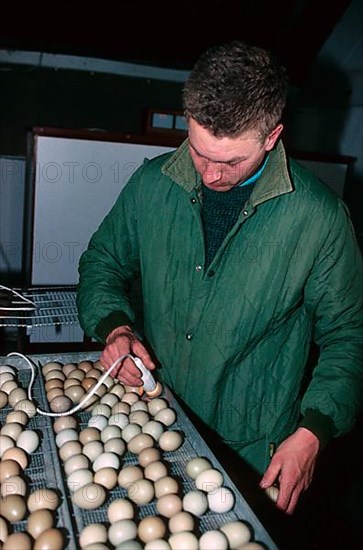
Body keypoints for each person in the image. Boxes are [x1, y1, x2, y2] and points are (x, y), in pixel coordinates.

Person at [77, 41, 363, 515]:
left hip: (250, 447)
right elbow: (102, 262)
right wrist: (116, 326)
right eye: (199, 151)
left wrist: (314, 431)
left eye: (230, 162)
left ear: (272, 137)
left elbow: (348, 335)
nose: (210, 174)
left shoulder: (320, 219)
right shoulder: (153, 183)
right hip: (150, 414)